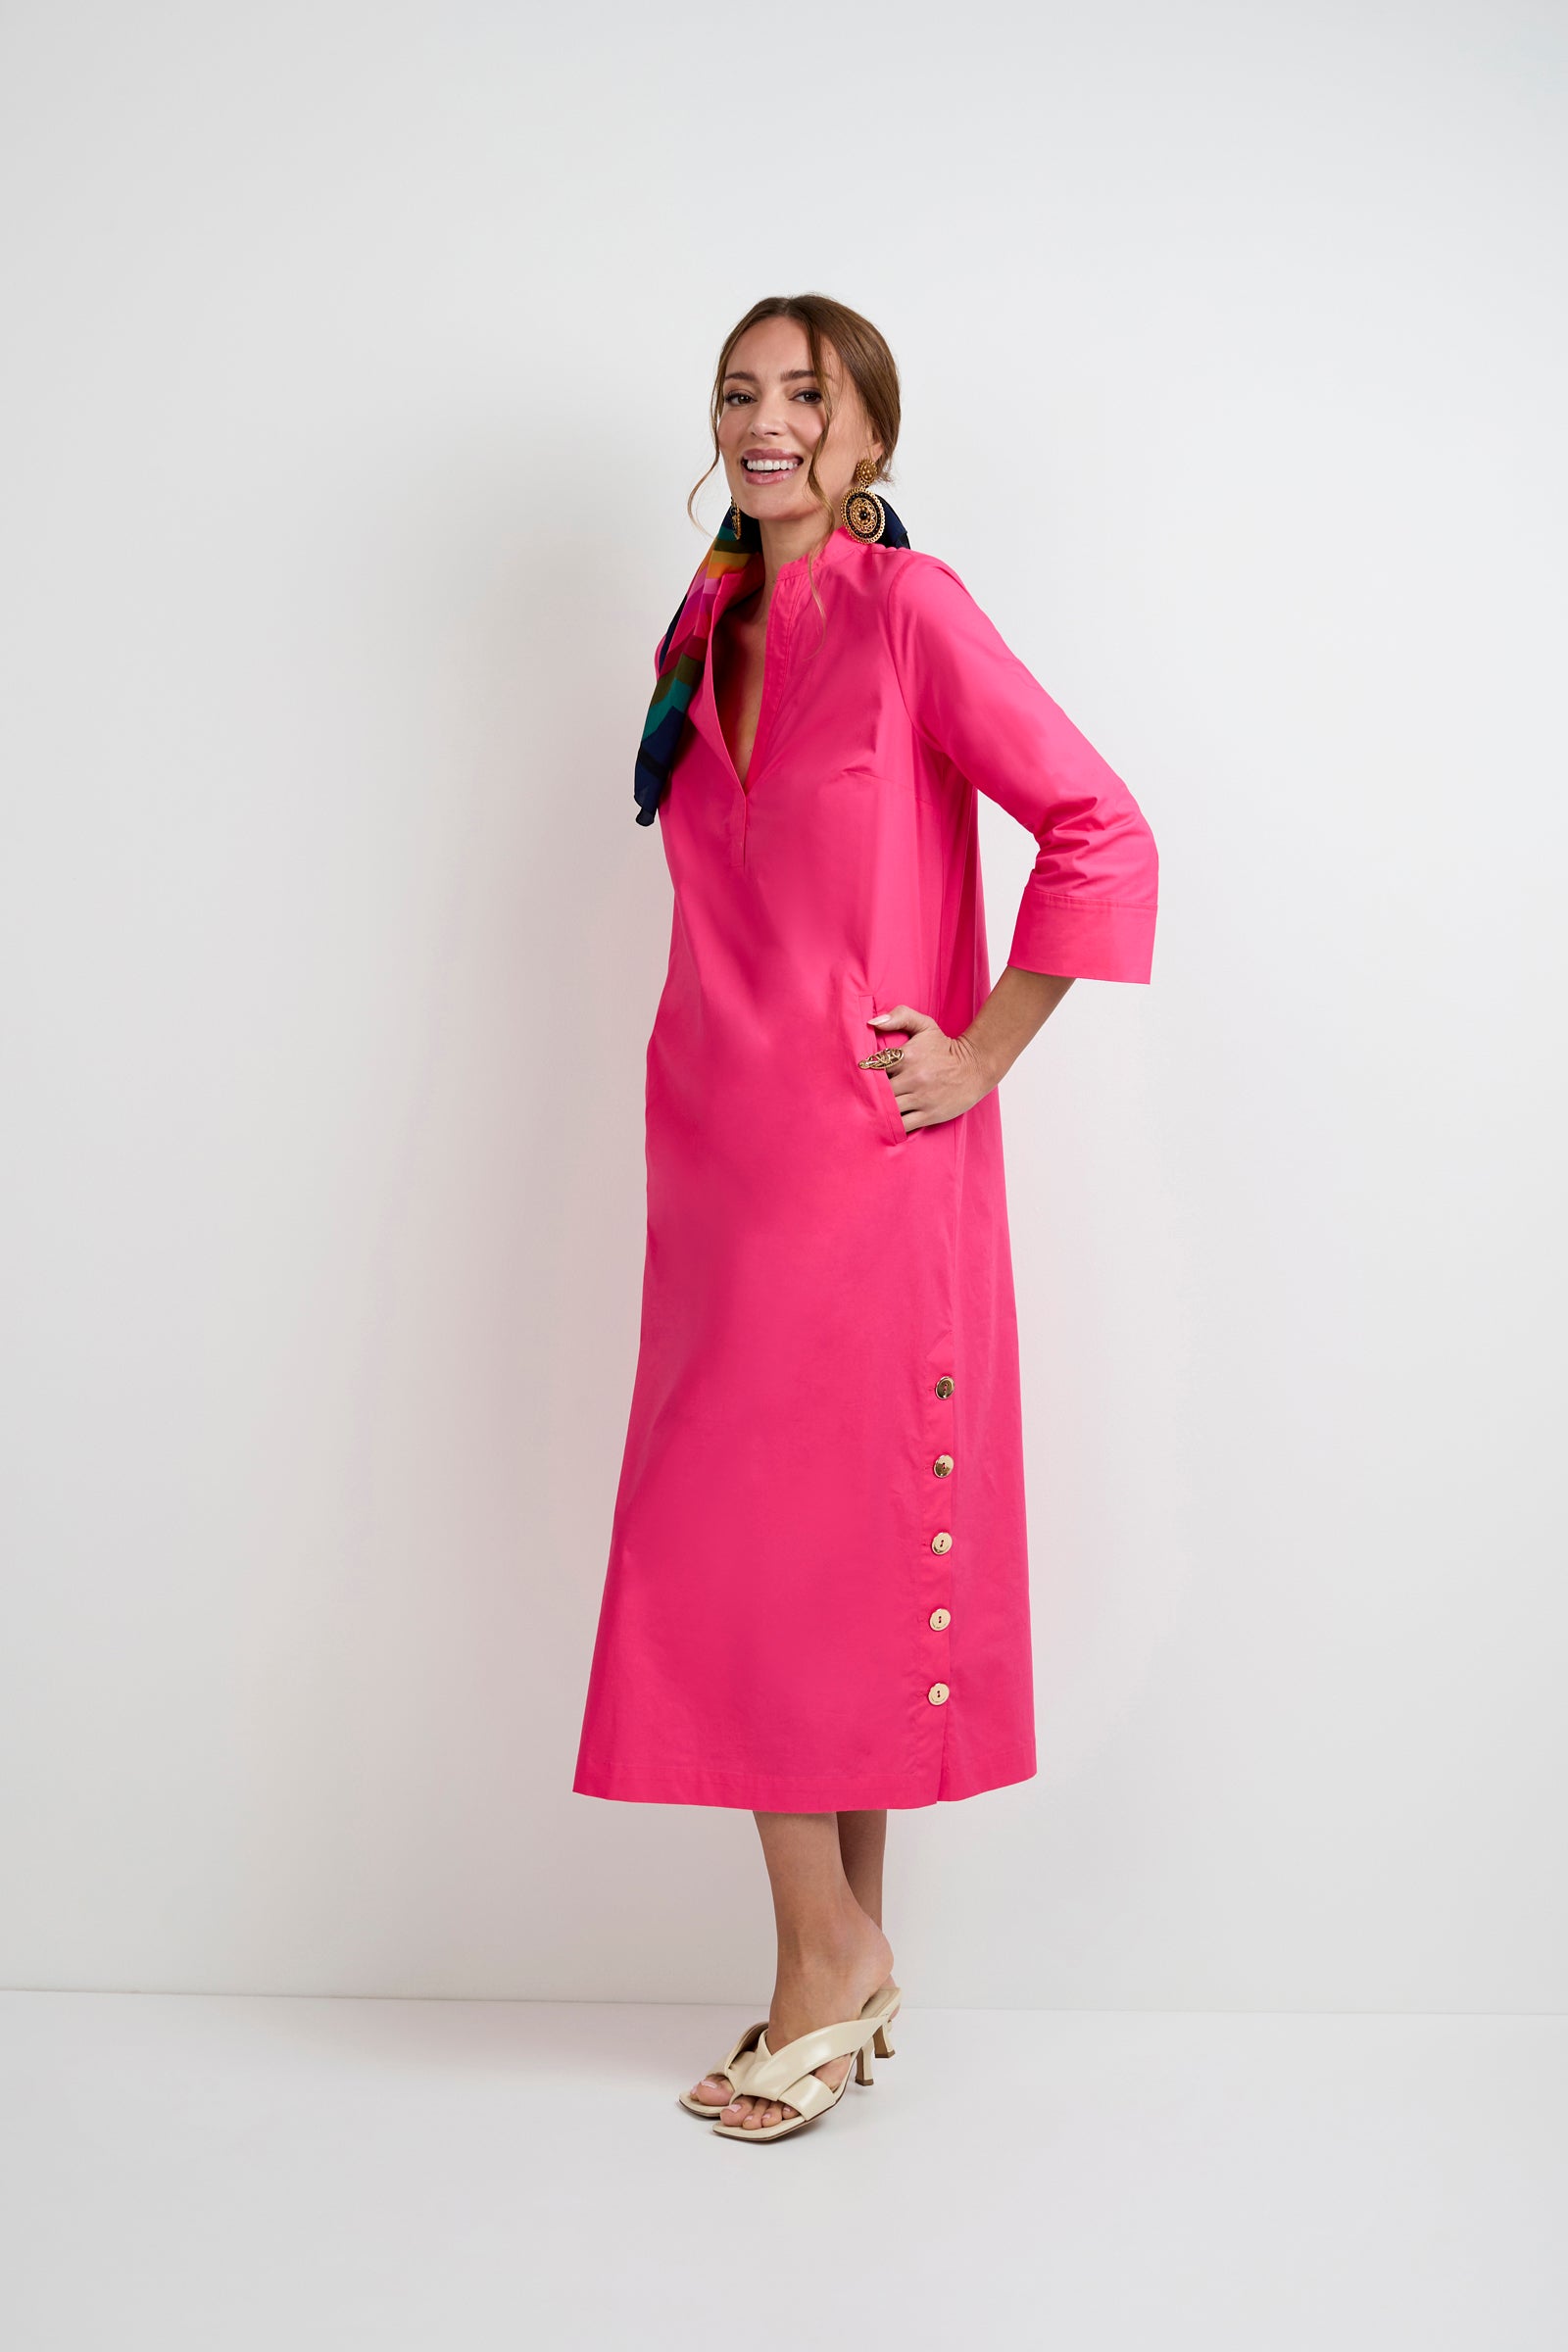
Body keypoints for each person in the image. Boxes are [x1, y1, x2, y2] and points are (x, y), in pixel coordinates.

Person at [573, 293, 1159, 2141]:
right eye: (740, 394)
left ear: (870, 436)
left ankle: (817, 1970)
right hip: (715, 1168)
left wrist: (983, 1051)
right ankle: (854, 1962)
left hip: (863, 1166)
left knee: (755, 1554)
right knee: (775, 1556)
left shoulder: (912, 616)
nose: (767, 425)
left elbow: (1100, 825)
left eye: (804, 399)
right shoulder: (706, 621)